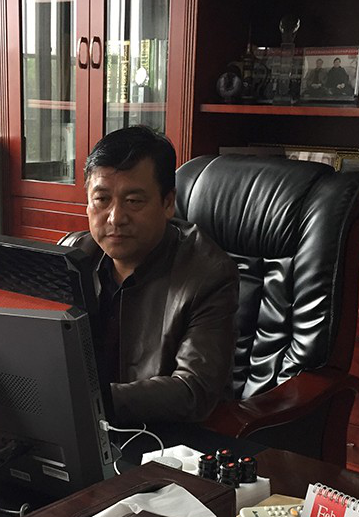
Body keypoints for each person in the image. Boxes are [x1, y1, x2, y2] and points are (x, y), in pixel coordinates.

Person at [59, 126, 239, 426]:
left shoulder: (208, 275)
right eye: (102, 199)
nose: (115, 218)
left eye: (133, 201)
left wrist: (88, 401)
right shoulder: (72, 255)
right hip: (81, 427)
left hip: (165, 439)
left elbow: (193, 390)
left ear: (167, 203)